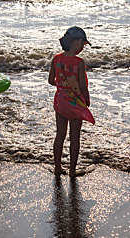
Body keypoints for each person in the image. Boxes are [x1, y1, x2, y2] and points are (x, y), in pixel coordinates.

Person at [48, 26, 95, 177]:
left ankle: (57, 167)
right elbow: (82, 85)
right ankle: (72, 171)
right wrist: (87, 99)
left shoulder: (56, 59)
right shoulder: (79, 62)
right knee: (75, 137)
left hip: (61, 101)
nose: (82, 47)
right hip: (75, 104)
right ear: (77, 42)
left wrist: (62, 87)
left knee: (60, 134)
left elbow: (50, 81)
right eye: (83, 44)